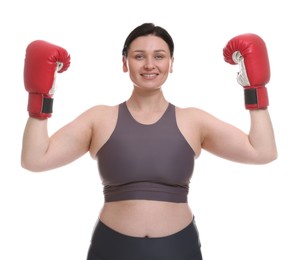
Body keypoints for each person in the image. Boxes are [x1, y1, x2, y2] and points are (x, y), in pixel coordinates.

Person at [21, 23, 277, 260]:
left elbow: (262, 152)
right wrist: (42, 97)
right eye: (139, 56)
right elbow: (35, 159)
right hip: (112, 248)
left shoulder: (193, 120)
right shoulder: (99, 118)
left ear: (171, 63)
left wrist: (254, 90)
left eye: (159, 56)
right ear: (125, 62)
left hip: (179, 249)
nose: (149, 65)